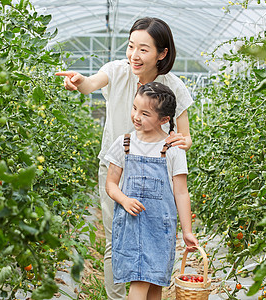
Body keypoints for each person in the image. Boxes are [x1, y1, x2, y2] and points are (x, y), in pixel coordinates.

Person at [55, 17, 194, 299]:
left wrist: (184, 143)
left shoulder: (174, 86)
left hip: (158, 172)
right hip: (117, 167)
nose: (134, 55)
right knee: (116, 240)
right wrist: (80, 81)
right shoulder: (117, 71)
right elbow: (91, 83)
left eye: (144, 49)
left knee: (155, 240)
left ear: (162, 53)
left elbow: (185, 135)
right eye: (131, 46)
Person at [105, 82, 198, 300]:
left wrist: (187, 231)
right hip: (131, 226)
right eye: (135, 108)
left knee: (155, 284)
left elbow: (181, 193)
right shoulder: (124, 143)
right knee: (140, 280)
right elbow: (110, 184)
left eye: (145, 113)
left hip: (160, 229)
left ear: (164, 120)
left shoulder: (173, 150)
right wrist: (125, 200)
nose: (136, 116)